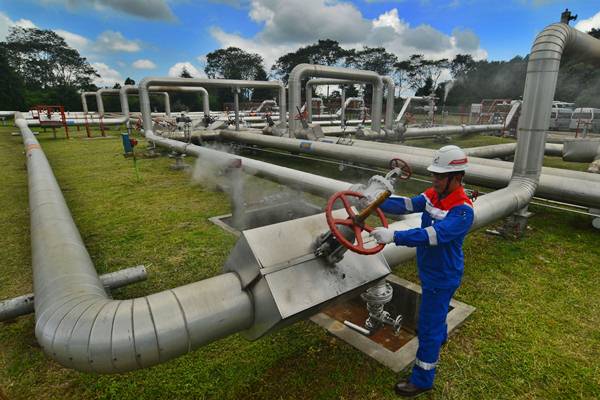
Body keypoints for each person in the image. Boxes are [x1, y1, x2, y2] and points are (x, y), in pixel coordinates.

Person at [370, 145, 474, 397]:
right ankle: (439, 336)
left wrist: (394, 235)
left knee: (427, 325)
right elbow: (409, 205)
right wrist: (375, 199)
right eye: (434, 175)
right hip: (432, 272)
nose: (434, 180)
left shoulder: (462, 210)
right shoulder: (434, 195)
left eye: (440, 176)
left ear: (456, 178)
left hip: (443, 275)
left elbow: (432, 235)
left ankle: (423, 379)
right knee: (434, 319)